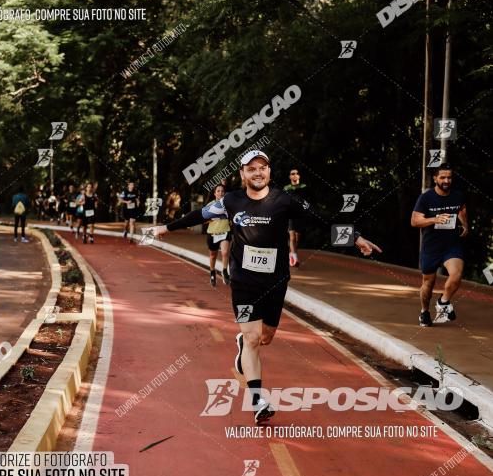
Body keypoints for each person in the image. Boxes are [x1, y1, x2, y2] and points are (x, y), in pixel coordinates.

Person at [153, 150, 381, 423]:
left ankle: (244, 345)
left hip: (275, 281)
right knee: (252, 338)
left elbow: (322, 218)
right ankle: (258, 399)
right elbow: (200, 215)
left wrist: (356, 238)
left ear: (269, 172)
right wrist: (167, 227)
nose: (257, 172)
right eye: (251, 169)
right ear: (243, 174)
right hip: (244, 282)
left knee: (266, 337)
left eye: (262, 167)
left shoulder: (284, 199)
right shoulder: (231, 201)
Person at [411, 164, 469, 327]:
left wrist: (465, 225)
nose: (446, 180)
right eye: (442, 177)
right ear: (435, 178)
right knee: (428, 284)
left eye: (449, 177)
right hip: (431, 247)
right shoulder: (426, 198)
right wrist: (434, 219)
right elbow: (414, 221)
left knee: (456, 274)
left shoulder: (458, 196)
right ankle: (424, 312)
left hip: (451, 245)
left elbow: (462, 209)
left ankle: (443, 302)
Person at [205, 183, 231, 287]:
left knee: (225, 252)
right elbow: (204, 220)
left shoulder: (228, 205)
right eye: (218, 191)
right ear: (215, 193)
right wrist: (212, 218)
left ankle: (224, 271)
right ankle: (212, 272)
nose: (220, 193)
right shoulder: (210, 205)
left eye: (222, 191)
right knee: (213, 255)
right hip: (213, 233)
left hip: (225, 231)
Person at [284, 168, 307, 267]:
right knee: (292, 237)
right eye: (292, 173)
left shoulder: (304, 187)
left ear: (299, 176)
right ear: (290, 176)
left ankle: (291, 253)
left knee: (297, 239)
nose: (295, 175)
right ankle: (295, 258)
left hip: (300, 215)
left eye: (297, 173)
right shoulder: (286, 188)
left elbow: (307, 200)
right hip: (290, 215)